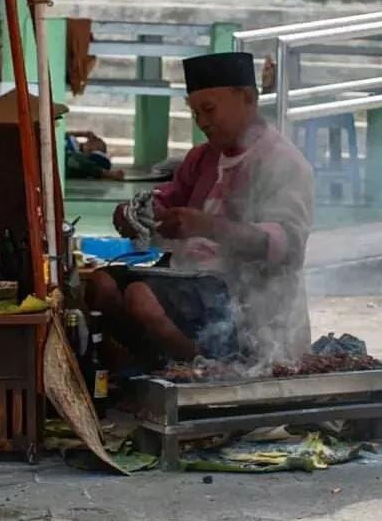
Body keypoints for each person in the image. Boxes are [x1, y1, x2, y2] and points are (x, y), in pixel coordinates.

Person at [85, 52, 314, 369]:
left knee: (141, 298)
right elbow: (167, 198)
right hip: (186, 277)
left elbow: (287, 246)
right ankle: (147, 368)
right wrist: (136, 213)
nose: (202, 122)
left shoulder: (283, 162)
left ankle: (211, 370)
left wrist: (210, 227)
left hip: (240, 292)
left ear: (248, 99)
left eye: (209, 110)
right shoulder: (203, 157)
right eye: (195, 113)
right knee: (100, 285)